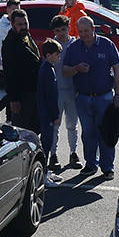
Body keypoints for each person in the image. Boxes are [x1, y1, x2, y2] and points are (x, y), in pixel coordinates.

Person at [62, 15, 119, 178]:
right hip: (82, 97)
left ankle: (107, 167)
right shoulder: (74, 47)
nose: (83, 34)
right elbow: (65, 71)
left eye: (86, 31)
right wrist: (76, 68)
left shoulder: (106, 44)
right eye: (81, 31)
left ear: (93, 29)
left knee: (106, 132)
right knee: (88, 133)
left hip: (104, 97)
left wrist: (118, 94)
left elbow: (118, 69)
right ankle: (91, 164)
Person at [1, 8, 42, 132]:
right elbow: (9, 74)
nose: (23, 27)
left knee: (35, 129)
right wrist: (14, 99)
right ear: (13, 24)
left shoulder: (25, 36)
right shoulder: (11, 43)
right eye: (20, 24)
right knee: (23, 132)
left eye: (25, 23)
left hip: (33, 92)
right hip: (21, 96)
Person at [50, 14, 79, 168]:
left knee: (72, 125)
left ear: (68, 28)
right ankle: (53, 155)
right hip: (57, 91)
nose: (61, 33)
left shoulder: (75, 43)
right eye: (57, 30)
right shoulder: (51, 46)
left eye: (63, 29)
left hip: (72, 90)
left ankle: (73, 153)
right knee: (55, 124)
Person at [37, 39, 62, 168]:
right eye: (57, 54)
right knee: (47, 143)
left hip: (44, 112)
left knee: (47, 141)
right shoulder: (48, 70)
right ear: (48, 55)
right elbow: (51, 95)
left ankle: (45, 171)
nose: (59, 57)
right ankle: (44, 172)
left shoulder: (46, 68)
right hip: (47, 114)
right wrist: (55, 115)